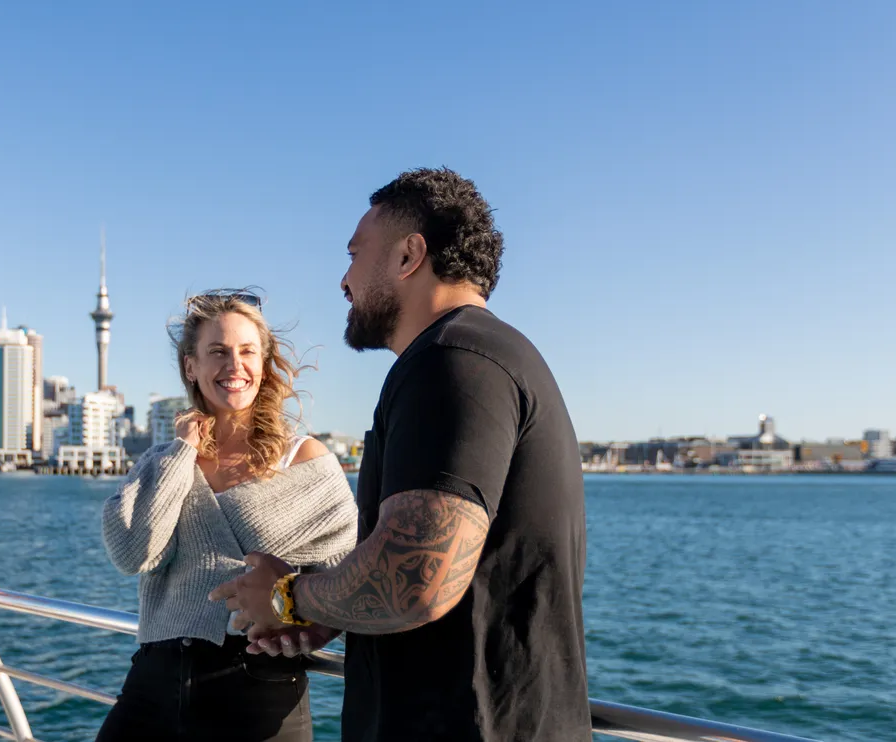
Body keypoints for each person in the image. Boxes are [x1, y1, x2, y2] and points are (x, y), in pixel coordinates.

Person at [212, 169, 591, 742]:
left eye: (355, 254)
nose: (343, 281)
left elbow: (419, 577)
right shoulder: (481, 356)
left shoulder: (454, 362)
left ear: (409, 255)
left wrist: (288, 596)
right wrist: (329, 611)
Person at [97, 290, 358, 742]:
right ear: (190, 367)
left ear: (263, 363)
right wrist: (182, 452)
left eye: (247, 352)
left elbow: (348, 576)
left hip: (259, 689)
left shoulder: (306, 459)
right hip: (152, 686)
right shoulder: (162, 461)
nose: (234, 366)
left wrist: (308, 625)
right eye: (217, 352)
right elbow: (131, 552)